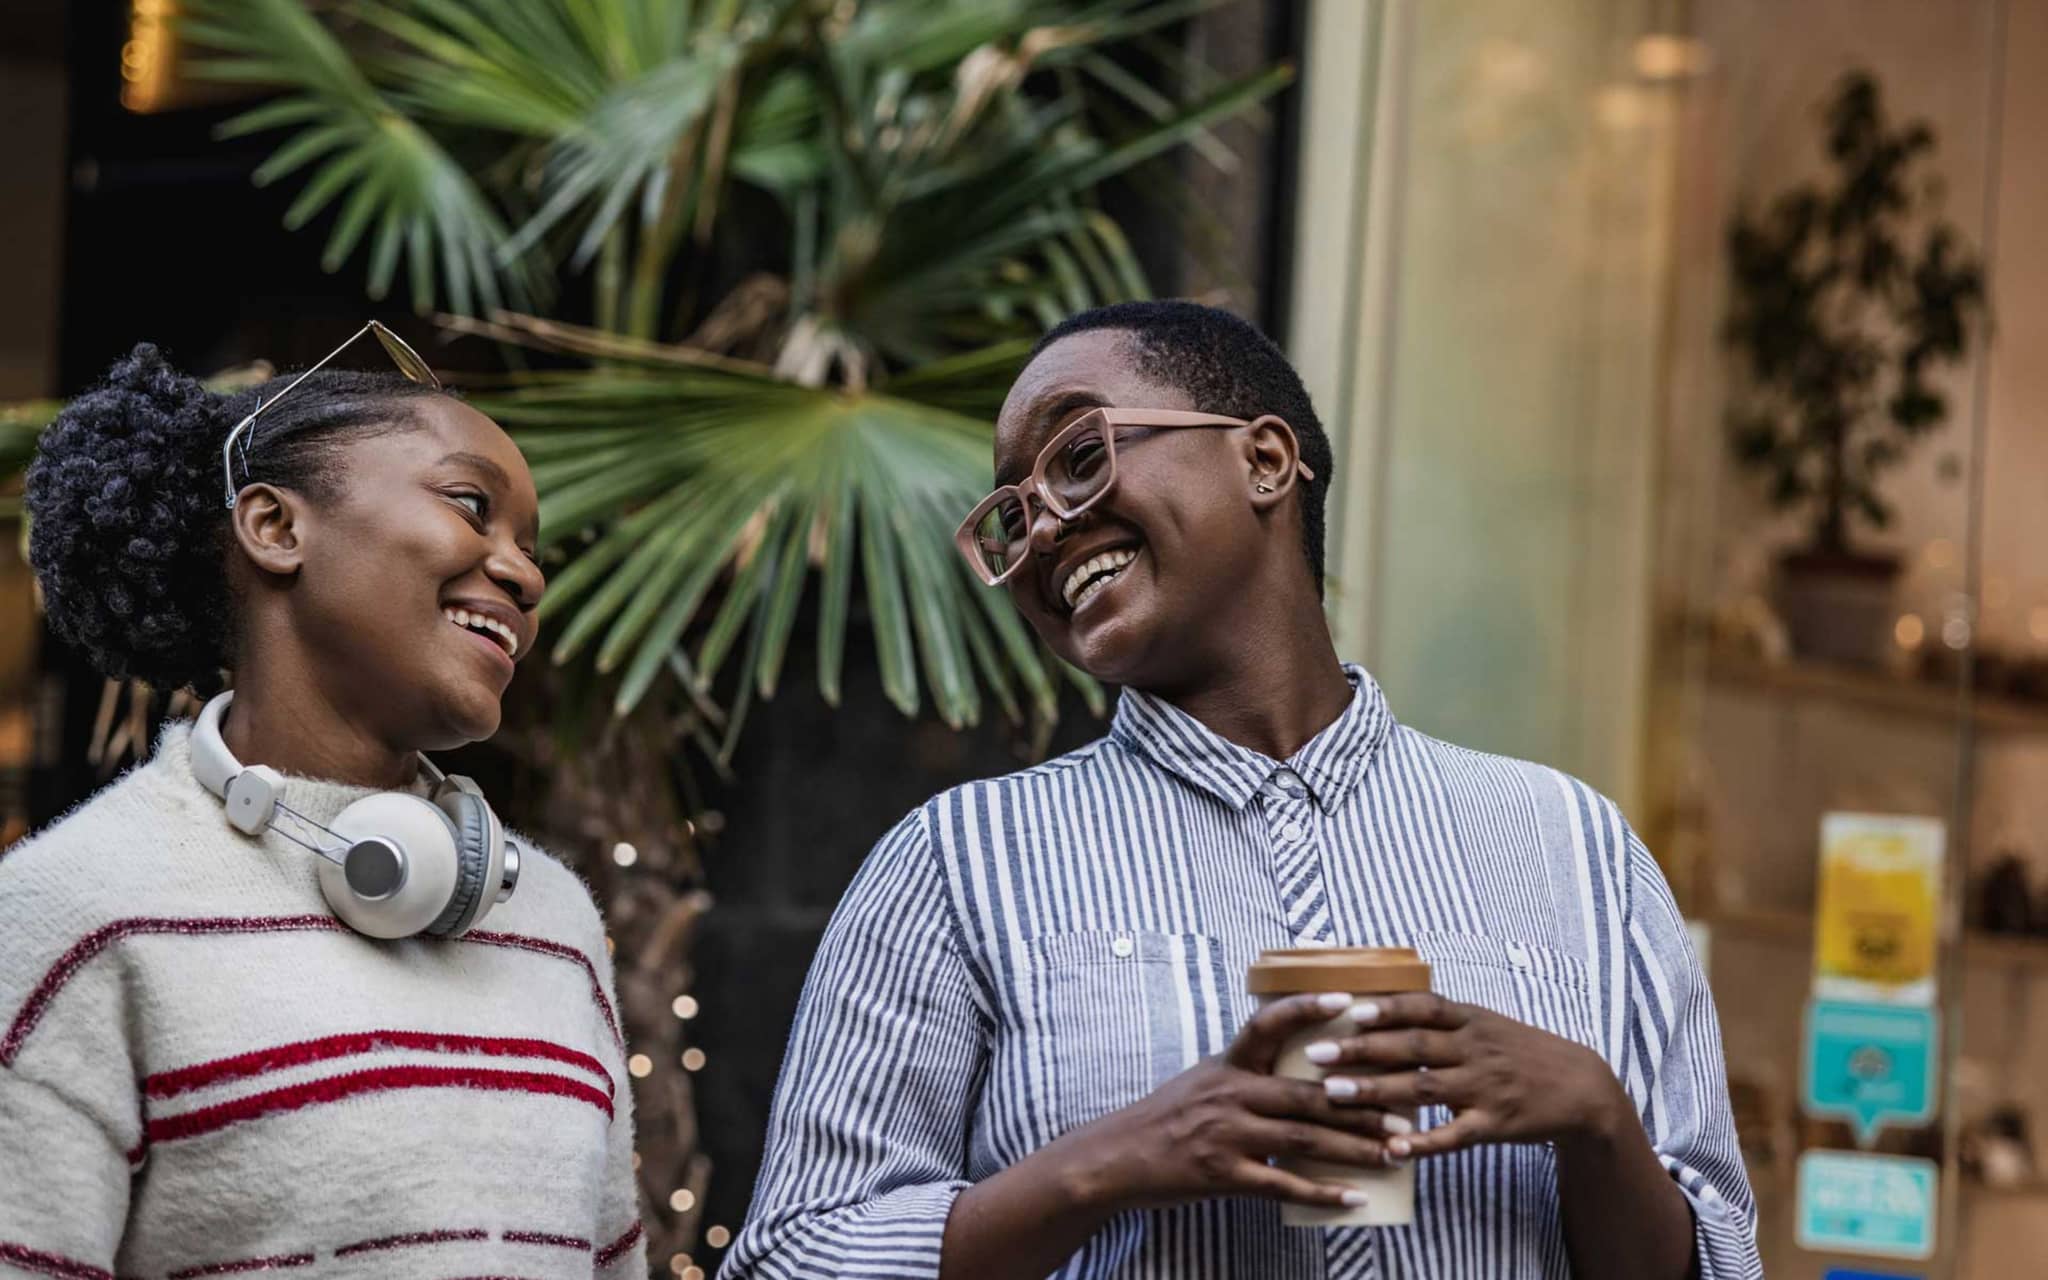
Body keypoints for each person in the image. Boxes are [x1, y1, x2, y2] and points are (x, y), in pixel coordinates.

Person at [725, 301, 1759, 1279]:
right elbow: (791, 1254)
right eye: (1010, 513)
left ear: (1263, 458)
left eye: (1077, 457)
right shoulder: (953, 864)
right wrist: (1111, 1160)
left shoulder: (1573, 849)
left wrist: (1594, 1116)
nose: (1038, 527)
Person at [0, 331, 645, 1277]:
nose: (526, 575)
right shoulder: (76, 913)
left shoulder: (553, 922)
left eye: (531, 549)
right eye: (472, 506)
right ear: (274, 527)